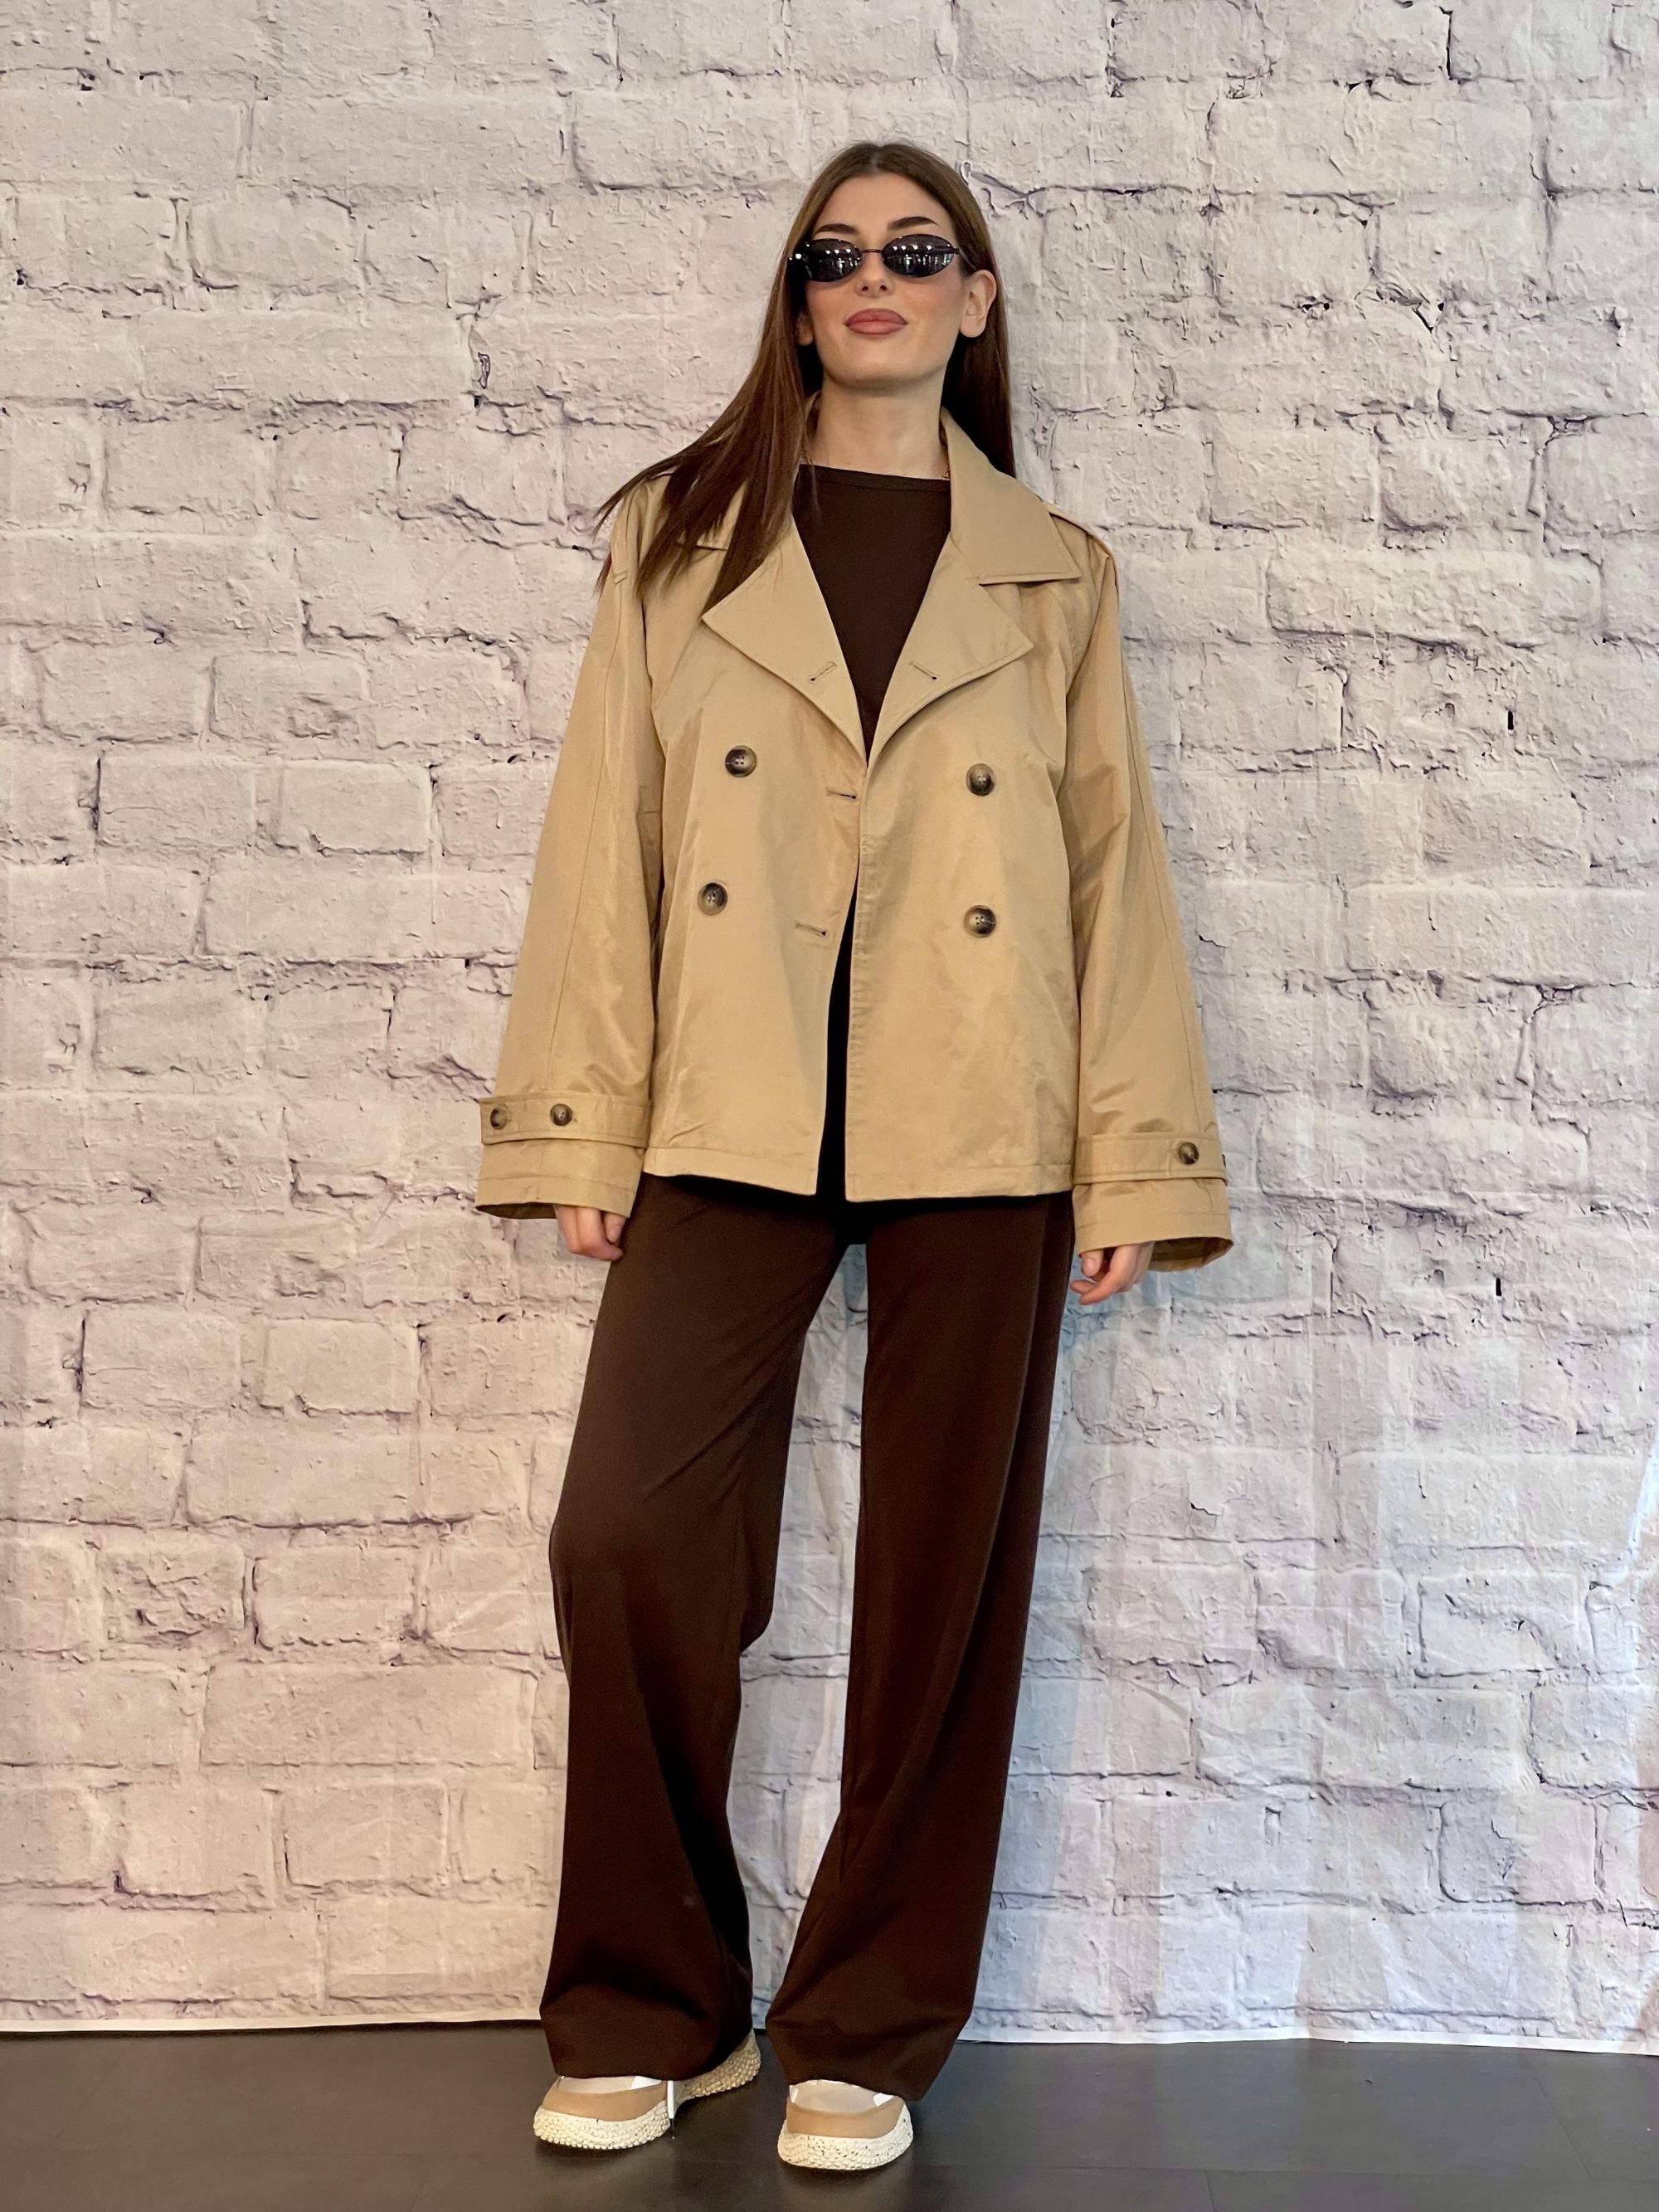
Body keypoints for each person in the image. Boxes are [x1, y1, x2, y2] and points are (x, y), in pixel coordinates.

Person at [474, 138, 1234, 2175]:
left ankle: (868, 2025)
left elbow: (1108, 872)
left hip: (982, 1105)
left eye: (916, 250)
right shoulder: (683, 538)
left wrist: (1130, 1156)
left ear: (975, 300)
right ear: (798, 303)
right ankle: (655, 2000)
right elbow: (602, 843)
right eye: (833, 254)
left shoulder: (1052, 572)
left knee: (937, 1588)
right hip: (728, 1103)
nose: (871, 277)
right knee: (624, 1534)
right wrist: (583, 1112)